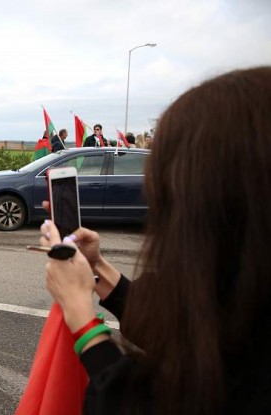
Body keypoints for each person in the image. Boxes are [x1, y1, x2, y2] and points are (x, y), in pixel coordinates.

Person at [41, 66, 271, 414]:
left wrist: (80, 314)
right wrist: (97, 269)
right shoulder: (246, 303)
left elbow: (134, 401)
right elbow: (187, 331)